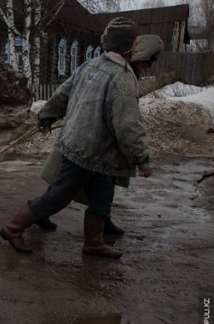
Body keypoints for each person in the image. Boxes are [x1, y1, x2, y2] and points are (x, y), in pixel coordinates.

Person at [0, 18, 157, 259]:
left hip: (92, 151)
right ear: (126, 46)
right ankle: (13, 228)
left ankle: (93, 242)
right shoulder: (122, 77)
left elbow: (63, 93)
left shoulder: (91, 64)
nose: (137, 49)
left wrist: (47, 115)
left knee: (102, 198)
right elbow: (127, 125)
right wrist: (142, 159)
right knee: (57, 197)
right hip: (88, 150)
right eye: (135, 44)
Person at [34, 34, 164, 235]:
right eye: (147, 61)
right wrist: (47, 116)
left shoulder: (116, 70)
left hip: (99, 142)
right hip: (86, 139)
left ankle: (102, 221)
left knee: (103, 185)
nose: (147, 67)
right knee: (64, 184)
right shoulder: (113, 73)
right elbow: (65, 93)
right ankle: (32, 216)